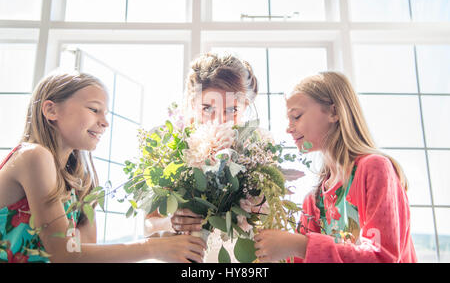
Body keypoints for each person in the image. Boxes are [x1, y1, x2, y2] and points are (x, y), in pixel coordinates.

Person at [0, 71, 206, 263]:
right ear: (51, 110)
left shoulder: (82, 181)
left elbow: (85, 253)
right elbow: (63, 254)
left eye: (105, 113)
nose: (105, 122)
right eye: (94, 109)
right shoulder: (33, 156)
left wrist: (161, 239)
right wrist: (152, 247)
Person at [254, 71, 417, 263]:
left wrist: (298, 245)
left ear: (334, 112)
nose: (288, 128)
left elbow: (383, 257)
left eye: (296, 116)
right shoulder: (314, 201)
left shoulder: (374, 168)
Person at [144, 52, 259, 261]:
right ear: (192, 104)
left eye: (232, 109)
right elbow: (148, 224)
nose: (219, 120)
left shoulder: (258, 154)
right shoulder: (172, 151)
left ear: (245, 107)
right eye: (208, 108)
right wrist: (171, 222)